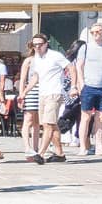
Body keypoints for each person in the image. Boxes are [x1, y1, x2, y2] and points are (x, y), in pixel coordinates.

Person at [22, 34, 76, 164]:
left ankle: (40, 153)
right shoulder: (36, 58)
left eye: (40, 44)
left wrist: (73, 86)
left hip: (55, 93)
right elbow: (36, 77)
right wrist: (24, 92)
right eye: (35, 45)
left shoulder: (55, 55)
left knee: (48, 124)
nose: (37, 47)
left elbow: (71, 68)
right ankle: (59, 153)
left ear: (46, 43)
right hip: (43, 94)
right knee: (51, 124)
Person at [72, 23, 102, 155]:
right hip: (89, 86)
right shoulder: (85, 48)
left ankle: (99, 146)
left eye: (98, 31)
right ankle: (82, 147)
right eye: (93, 32)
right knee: (85, 117)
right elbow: (79, 66)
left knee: (101, 117)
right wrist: (81, 83)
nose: (96, 34)